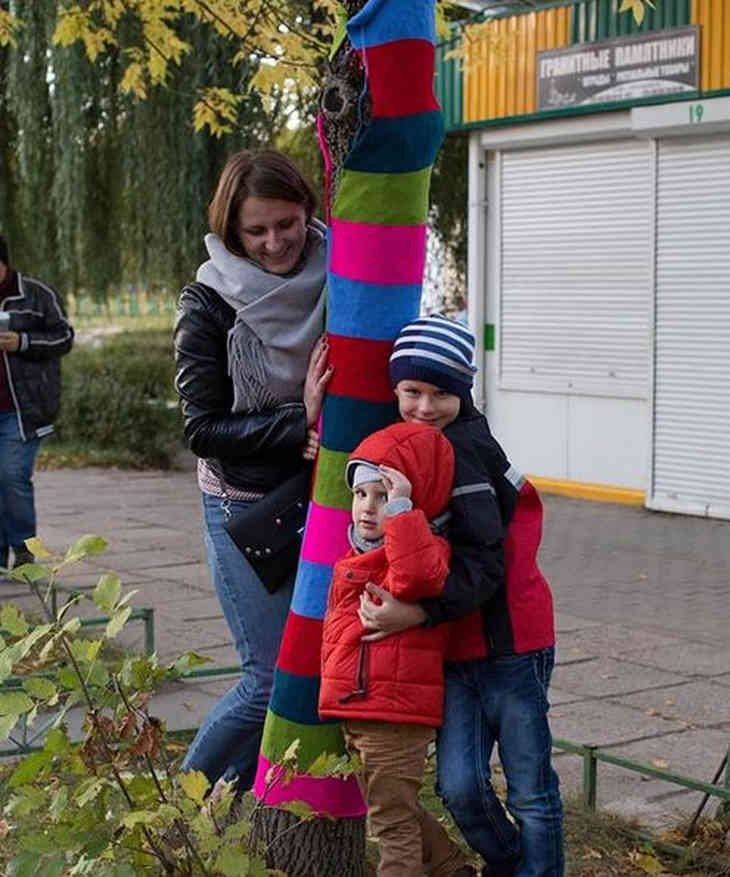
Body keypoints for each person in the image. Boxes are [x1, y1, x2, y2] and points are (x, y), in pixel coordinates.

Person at [359, 314, 563, 877]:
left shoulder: (464, 450)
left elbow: (485, 562)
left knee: (529, 791)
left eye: (441, 393)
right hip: (454, 649)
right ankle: (515, 864)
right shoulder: (415, 444)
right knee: (460, 787)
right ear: (395, 390)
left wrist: (418, 612)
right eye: (412, 392)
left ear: (464, 390)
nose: (425, 407)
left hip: (509, 646)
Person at [173, 150, 333, 792]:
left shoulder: (340, 270)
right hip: (244, 503)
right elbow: (201, 429)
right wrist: (300, 419)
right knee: (269, 677)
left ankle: (230, 805)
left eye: (287, 224)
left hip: (325, 494)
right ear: (231, 232)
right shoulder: (208, 302)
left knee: (313, 670)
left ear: (307, 212)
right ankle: (182, 809)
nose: (275, 243)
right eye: (256, 232)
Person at [319, 421, 479, 877]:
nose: (369, 508)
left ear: (412, 503)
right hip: (361, 707)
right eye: (361, 494)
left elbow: (419, 579)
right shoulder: (358, 550)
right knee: (394, 807)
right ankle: (450, 866)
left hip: (394, 713)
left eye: (383, 496)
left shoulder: (421, 550)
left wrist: (406, 512)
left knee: (390, 823)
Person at [0, 234, 74, 572]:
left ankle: (24, 547)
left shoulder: (36, 294)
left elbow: (64, 337)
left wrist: (22, 341)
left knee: (11, 476)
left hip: (22, 410)